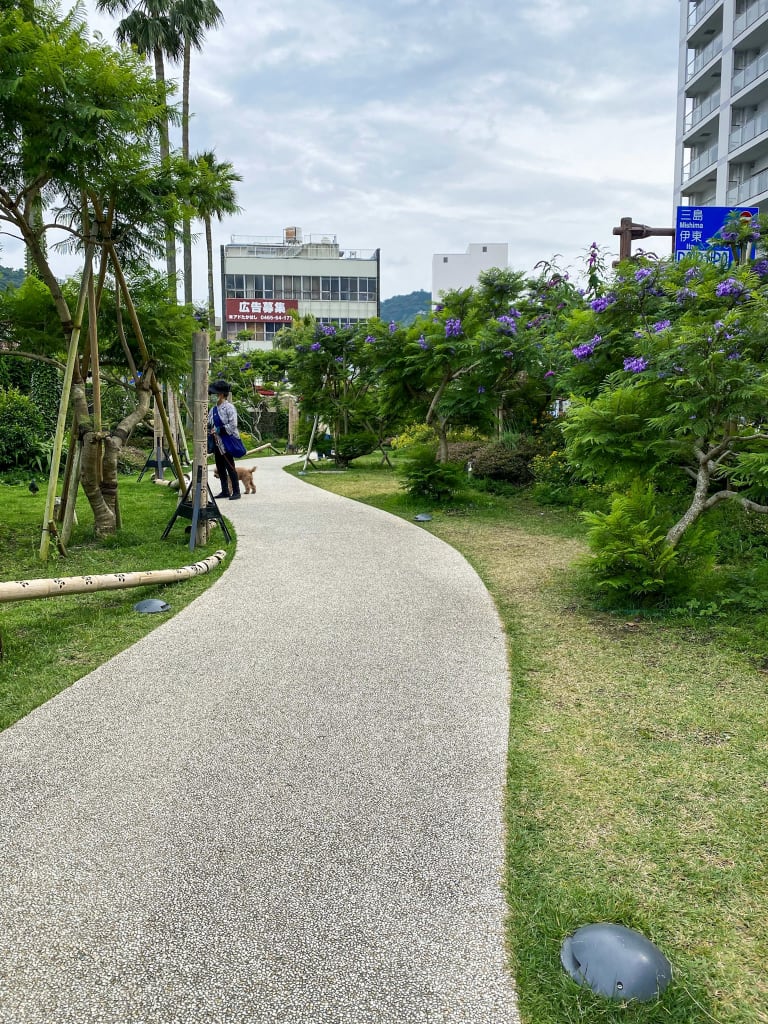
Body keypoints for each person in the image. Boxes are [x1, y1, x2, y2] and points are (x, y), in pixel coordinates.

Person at [208, 380, 241, 500]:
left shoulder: (229, 407)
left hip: (227, 443)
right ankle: (225, 491)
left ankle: (236, 491)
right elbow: (210, 424)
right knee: (220, 467)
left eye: (214, 394)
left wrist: (219, 430)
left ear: (221, 394)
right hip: (217, 443)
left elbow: (233, 425)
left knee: (230, 466)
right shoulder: (213, 409)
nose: (211, 396)